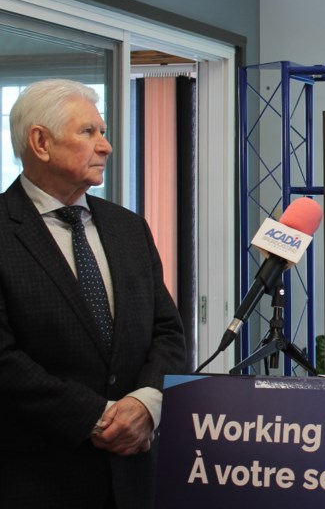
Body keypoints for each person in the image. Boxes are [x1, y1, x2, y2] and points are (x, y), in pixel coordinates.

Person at [0, 79, 186, 508]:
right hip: (37, 477)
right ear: (40, 142)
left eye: (103, 132)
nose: (106, 146)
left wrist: (146, 402)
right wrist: (97, 417)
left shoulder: (127, 227)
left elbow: (167, 331)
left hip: (137, 476)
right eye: (89, 132)